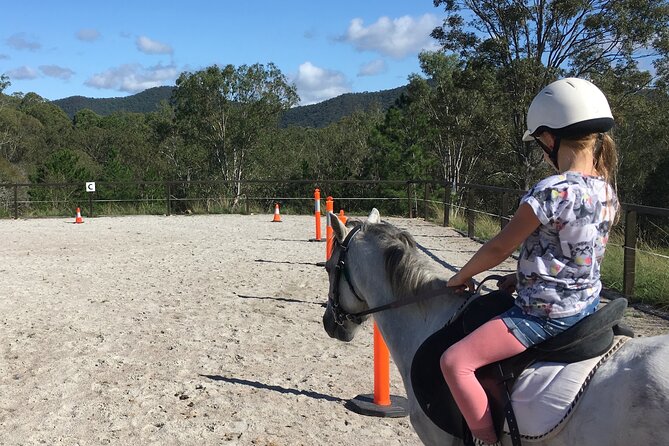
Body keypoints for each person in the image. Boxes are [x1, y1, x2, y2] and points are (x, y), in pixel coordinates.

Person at [440, 77, 619, 446]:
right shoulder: (605, 190)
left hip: (544, 315)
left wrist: (461, 276)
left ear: (551, 139)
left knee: (455, 362)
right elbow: (571, 253)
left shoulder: (551, 190)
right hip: (586, 304)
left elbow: (499, 247)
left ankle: (487, 441)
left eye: (541, 143)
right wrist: (521, 279)